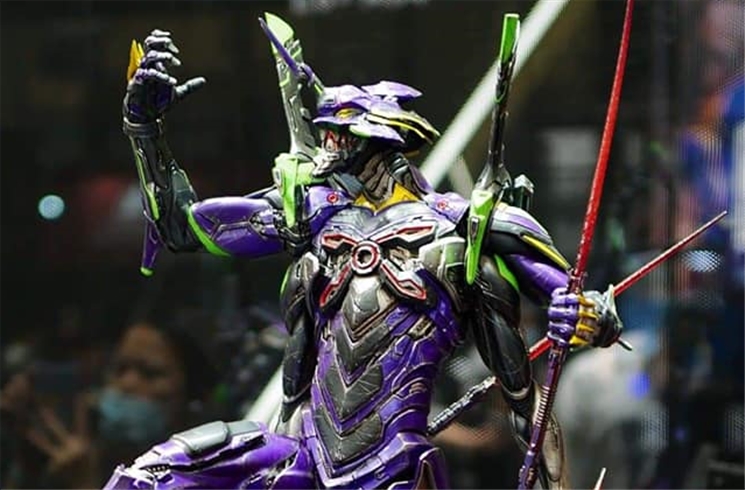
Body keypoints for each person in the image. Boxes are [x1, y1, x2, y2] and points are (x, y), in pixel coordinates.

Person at [103, 17, 624, 490]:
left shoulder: (461, 228)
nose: (324, 145)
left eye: (336, 134)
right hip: (302, 458)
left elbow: (585, 310)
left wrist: (582, 314)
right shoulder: (314, 215)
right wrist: (145, 129)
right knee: (146, 480)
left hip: (393, 468)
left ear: (373, 140)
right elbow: (181, 227)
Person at [1, 318, 218, 488]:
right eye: (120, 369)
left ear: (192, 393)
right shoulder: (87, 455)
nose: (127, 383)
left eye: (150, 373)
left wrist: (83, 484)